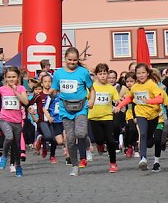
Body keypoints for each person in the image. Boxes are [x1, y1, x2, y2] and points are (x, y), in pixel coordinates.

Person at [115, 63, 167, 172]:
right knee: (142, 134)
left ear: (147, 73)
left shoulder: (151, 84)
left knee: (149, 141)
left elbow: (160, 99)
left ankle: (155, 158)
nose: (141, 75)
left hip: (153, 115)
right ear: (136, 75)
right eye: (138, 73)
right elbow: (129, 98)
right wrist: (120, 106)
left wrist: (149, 101)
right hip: (140, 114)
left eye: (143, 73)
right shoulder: (135, 87)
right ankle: (143, 159)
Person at [51, 47, 94, 177]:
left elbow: (92, 89)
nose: (72, 62)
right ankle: (75, 166)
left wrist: (91, 100)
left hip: (81, 107)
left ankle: (87, 144)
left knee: (80, 133)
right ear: (65, 59)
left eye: (75, 60)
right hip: (65, 108)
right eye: (70, 60)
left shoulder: (83, 72)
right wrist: (52, 93)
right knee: (69, 139)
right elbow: (53, 91)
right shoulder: (58, 74)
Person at [0, 66, 29, 177]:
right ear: (5, 78)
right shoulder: (1, 89)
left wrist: (16, 91)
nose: (11, 79)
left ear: (18, 78)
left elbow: (26, 102)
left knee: (16, 146)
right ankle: (3, 156)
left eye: (13, 77)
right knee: (9, 137)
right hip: (4, 119)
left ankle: (18, 166)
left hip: (17, 121)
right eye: (9, 77)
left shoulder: (21, 88)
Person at [88, 63, 121, 173]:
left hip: (107, 117)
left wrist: (118, 105)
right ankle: (100, 145)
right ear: (96, 75)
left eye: (104, 73)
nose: (103, 76)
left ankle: (113, 163)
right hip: (94, 117)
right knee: (99, 139)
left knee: (110, 141)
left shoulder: (111, 89)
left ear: (107, 74)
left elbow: (117, 100)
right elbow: (86, 98)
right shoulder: (92, 87)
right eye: (100, 74)